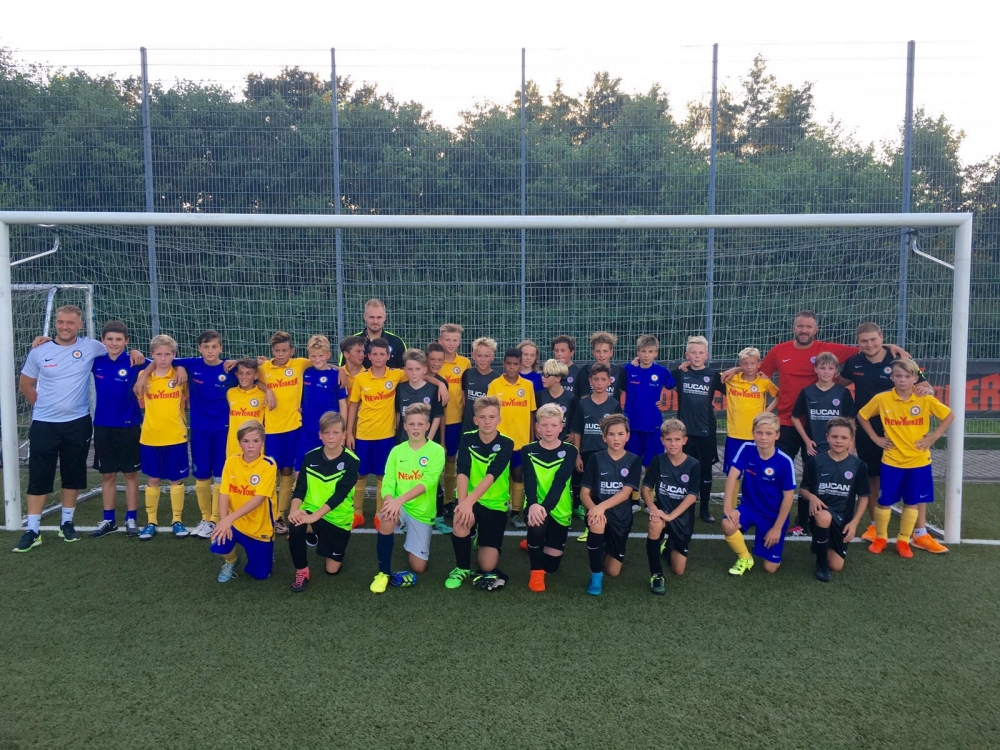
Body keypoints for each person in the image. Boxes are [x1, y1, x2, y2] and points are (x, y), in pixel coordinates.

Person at [15, 305, 140, 552]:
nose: (65, 327)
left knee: (72, 473)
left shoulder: (91, 347)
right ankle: (32, 530)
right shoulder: (40, 350)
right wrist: (45, 407)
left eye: (70, 323)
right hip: (44, 424)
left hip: (78, 423)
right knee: (40, 475)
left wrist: (135, 350)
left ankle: (67, 523)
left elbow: (119, 348)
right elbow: (26, 385)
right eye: (61, 322)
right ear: (56, 324)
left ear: (79, 325)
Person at [839, 322, 943, 551]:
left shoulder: (899, 359)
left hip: (902, 431)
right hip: (870, 430)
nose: (869, 344)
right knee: (872, 476)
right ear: (858, 343)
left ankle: (920, 532)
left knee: (913, 481)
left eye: (874, 340)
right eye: (864, 341)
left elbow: (926, 386)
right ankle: (875, 526)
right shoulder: (854, 363)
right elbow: (839, 382)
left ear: (881, 338)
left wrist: (928, 391)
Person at [752, 311, 905, 465]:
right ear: (794, 328)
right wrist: (738, 371)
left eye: (808, 327)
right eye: (800, 326)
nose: (804, 330)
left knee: (815, 469)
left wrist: (889, 346)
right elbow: (755, 375)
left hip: (818, 424)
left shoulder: (827, 350)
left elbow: (866, 348)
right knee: (777, 466)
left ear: (815, 329)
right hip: (788, 420)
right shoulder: (779, 351)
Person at [857, 359, 954, 559]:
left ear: (915, 378)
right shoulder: (883, 398)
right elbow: (862, 415)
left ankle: (904, 540)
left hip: (919, 461)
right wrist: (875, 438)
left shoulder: (924, 399)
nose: (902, 380)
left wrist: (933, 437)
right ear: (892, 377)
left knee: (911, 502)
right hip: (891, 461)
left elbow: (948, 415)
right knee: (884, 501)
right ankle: (880, 538)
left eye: (907, 376)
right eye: (898, 376)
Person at [166, 329, 244, 540]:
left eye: (214, 347)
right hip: (200, 430)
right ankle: (205, 518)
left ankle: (216, 519)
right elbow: (164, 359)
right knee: (201, 476)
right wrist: (180, 367)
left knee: (220, 475)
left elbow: (256, 368)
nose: (210, 351)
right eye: (206, 347)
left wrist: (237, 361)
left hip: (223, 431)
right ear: (199, 348)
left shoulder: (230, 368)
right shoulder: (192, 364)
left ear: (221, 348)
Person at [370, 403, 446, 594]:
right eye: (411, 424)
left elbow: (428, 482)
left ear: (427, 425)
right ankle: (383, 573)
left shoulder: (436, 451)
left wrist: (399, 500)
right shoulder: (397, 451)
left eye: (420, 424)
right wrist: (390, 500)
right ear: (405, 426)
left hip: (421, 510)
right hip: (399, 505)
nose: (416, 428)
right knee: (386, 517)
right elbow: (388, 480)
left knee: (418, 567)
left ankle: (410, 535)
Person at [446, 396, 514, 591]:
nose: (487, 421)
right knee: (460, 520)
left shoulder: (506, 443)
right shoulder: (467, 438)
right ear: (475, 420)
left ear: (499, 420)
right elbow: (463, 470)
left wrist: (468, 503)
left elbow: (492, 475)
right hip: (470, 500)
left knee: (487, 566)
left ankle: (479, 536)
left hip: (495, 504)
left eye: (492, 417)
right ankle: (461, 568)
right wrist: (463, 504)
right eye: (482, 417)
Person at [287, 412, 360, 592]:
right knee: (295, 525)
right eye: (326, 432)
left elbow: (339, 495)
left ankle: (315, 533)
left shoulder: (352, 461)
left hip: (337, 518)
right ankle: (302, 570)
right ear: (320, 435)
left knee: (332, 570)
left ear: (344, 434)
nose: (331, 437)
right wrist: (294, 511)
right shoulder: (310, 457)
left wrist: (314, 518)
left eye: (336, 432)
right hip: (311, 511)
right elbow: (300, 488)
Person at [88, 321, 147, 539]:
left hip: (129, 426)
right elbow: (69, 352)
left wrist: (138, 353)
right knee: (108, 474)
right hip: (103, 426)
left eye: (119, 339)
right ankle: (109, 520)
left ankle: (131, 518)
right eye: (110, 339)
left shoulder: (134, 361)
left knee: (131, 474)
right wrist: (46, 340)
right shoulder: (96, 361)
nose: (114, 343)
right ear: (103, 341)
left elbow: (164, 361)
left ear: (126, 341)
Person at [721, 412, 796, 576]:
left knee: (770, 568)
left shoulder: (785, 461)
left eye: (769, 433)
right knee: (727, 524)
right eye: (759, 433)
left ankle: (768, 544)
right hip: (750, 508)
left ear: (777, 435)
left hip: (773, 515)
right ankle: (745, 557)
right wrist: (728, 507)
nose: (763, 437)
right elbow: (732, 476)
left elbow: (789, 497)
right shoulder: (746, 448)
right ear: (753, 433)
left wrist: (777, 528)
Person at [789, 351, 856, 534]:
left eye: (830, 368)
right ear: (815, 369)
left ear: (836, 371)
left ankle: (838, 521)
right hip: (814, 448)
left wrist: (851, 447)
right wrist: (807, 440)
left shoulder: (842, 393)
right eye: (822, 368)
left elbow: (851, 422)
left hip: (839, 449)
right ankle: (802, 523)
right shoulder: (807, 392)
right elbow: (795, 417)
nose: (826, 371)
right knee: (808, 485)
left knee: (837, 485)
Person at [799, 417, 870, 582]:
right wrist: (812, 497)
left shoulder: (859, 466)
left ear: (851, 440)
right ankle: (821, 565)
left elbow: (864, 497)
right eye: (834, 436)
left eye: (844, 438)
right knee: (824, 517)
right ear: (827, 437)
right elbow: (803, 489)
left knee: (837, 566)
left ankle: (821, 542)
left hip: (842, 519)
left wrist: (854, 523)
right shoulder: (815, 461)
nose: (839, 441)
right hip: (820, 513)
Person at [580, 414, 643, 596]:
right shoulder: (595, 458)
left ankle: (606, 546)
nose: (616, 439)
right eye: (611, 434)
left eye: (620, 434)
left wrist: (601, 507)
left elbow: (625, 493)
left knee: (613, 571)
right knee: (597, 522)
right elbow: (584, 493)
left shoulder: (634, 460)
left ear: (627, 436)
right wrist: (595, 509)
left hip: (621, 518)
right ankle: (595, 576)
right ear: (604, 437)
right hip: (599, 513)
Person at [346, 338, 404, 529]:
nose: (378, 357)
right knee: (359, 475)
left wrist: (441, 385)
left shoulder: (396, 375)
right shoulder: (361, 378)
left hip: (386, 436)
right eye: (375, 354)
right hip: (363, 435)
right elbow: (353, 405)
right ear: (369, 357)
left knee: (383, 476)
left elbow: (419, 372)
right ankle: (357, 513)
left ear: (388, 356)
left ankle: (381, 514)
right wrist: (349, 432)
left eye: (382, 354)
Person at [209, 419, 277, 583]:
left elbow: (258, 500)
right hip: (236, 523)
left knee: (261, 575)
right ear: (239, 443)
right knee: (218, 543)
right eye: (246, 441)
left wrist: (228, 520)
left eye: (256, 441)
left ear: (262, 442)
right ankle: (231, 561)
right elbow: (224, 493)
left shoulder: (269, 465)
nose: (251, 446)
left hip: (259, 527)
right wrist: (224, 522)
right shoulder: (231, 462)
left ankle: (266, 552)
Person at [137, 335, 191, 540]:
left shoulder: (180, 375)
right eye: (158, 354)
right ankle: (151, 522)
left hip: (176, 436)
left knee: (175, 479)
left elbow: (188, 399)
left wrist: (181, 368)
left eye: (167, 354)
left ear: (174, 355)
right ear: (152, 354)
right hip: (150, 437)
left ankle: (177, 520)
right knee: (153, 479)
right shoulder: (143, 375)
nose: (163, 358)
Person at [257, 331, 311, 535]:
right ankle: (267, 512)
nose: (280, 354)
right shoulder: (264, 368)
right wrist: (268, 390)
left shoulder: (299, 364)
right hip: (271, 430)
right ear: (272, 351)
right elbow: (253, 378)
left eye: (284, 350)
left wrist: (339, 371)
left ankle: (279, 516)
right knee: (270, 472)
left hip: (293, 428)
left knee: (287, 471)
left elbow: (321, 361)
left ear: (292, 351)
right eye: (277, 350)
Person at [521, 404, 577, 592]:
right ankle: (536, 572)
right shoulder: (528, 449)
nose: (549, 430)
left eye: (554, 425)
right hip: (534, 506)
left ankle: (533, 543)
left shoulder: (570, 450)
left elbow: (560, 481)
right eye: (544, 425)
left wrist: (543, 508)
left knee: (551, 566)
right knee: (537, 526)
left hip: (559, 508)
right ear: (537, 427)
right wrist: (533, 504)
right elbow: (529, 480)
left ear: (561, 427)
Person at [641, 419, 700, 595]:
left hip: (682, 517)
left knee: (678, 570)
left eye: (677, 439)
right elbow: (645, 488)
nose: (673, 444)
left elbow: (692, 496)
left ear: (684, 440)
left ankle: (666, 547)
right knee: (655, 523)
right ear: (662, 441)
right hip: (662, 513)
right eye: (668, 440)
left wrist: (671, 516)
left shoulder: (693, 465)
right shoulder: (658, 460)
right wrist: (653, 508)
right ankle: (656, 575)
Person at [671, 335, 724, 524]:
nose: (697, 356)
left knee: (705, 471)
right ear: (687, 355)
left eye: (700, 353)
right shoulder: (679, 374)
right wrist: (637, 360)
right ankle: (683, 507)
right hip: (684, 434)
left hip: (706, 431)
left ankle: (704, 509)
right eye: (693, 352)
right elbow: (656, 377)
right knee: (683, 470)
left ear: (706, 355)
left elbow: (734, 386)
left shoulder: (714, 375)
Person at [568, 363, 622, 537]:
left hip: (607, 454)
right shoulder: (582, 404)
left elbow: (619, 432)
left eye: (603, 379)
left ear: (609, 381)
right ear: (590, 380)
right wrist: (577, 455)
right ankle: (589, 525)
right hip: (587, 454)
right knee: (588, 491)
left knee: (605, 490)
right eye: (596, 379)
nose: (599, 383)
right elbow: (577, 431)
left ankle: (608, 523)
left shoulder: (614, 404)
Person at [487, 348, 536, 528]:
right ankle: (498, 507)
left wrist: (531, 439)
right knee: (498, 475)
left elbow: (531, 413)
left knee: (518, 476)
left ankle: (515, 512)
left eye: (516, 364)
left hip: (521, 441)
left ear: (521, 365)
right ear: (503, 364)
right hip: (499, 441)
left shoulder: (527, 385)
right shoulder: (495, 385)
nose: (512, 367)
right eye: (509, 364)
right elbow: (489, 412)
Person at [622, 335, 675, 470]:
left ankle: (649, 485)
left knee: (652, 465)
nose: (646, 355)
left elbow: (676, 386)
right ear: (638, 352)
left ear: (656, 353)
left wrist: (665, 401)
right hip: (632, 425)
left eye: (650, 351)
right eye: (643, 351)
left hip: (653, 425)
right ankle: (632, 486)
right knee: (631, 464)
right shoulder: (628, 369)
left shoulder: (662, 372)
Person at [723, 346, 778, 474]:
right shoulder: (731, 379)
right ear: (740, 364)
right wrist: (735, 370)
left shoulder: (764, 382)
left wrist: (767, 411)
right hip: (734, 434)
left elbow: (779, 395)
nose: (749, 367)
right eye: (745, 364)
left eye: (752, 363)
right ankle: (732, 489)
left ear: (759, 364)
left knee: (754, 471)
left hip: (756, 435)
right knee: (732, 471)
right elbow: (708, 375)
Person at [437, 324, 471, 508]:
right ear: (440, 341)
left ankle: (449, 499)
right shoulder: (435, 360)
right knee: (435, 459)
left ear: (459, 342)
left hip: (456, 419)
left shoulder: (464, 363)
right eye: (447, 339)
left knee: (451, 457)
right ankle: (435, 496)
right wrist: (440, 384)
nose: (451, 343)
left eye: (455, 340)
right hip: (435, 420)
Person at [298, 335, 348, 459]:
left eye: (321, 356)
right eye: (313, 356)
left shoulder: (336, 375)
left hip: (330, 429)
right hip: (307, 428)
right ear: (309, 356)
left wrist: (342, 430)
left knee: (329, 461)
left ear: (328, 355)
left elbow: (343, 404)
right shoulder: (305, 372)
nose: (317, 360)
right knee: (304, 462)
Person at [394, 348, 444, 444]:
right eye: (410, 369)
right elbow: (398, 414)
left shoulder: (433, 390)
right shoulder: (400, 388)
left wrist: (429, 440)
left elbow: (437, 416)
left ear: (424, 369)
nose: (414, 373)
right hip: (405, 440)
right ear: (405, 370)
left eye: (417, 369)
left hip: (426, 440)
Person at [339, 298, 407, 369]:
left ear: (385, 317)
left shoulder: (397, 342)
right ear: (365, 316)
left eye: (379, 317)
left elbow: (405, 370)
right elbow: (342, 370)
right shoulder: (352, 342)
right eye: (371, 317)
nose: (375, 321)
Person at [225, 359, 269, 456]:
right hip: (233, 446)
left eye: (248, 374)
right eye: (241, 373)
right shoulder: (230, 393)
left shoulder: (263, 395)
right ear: (236, 374)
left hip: (254, 447)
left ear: (256, 376)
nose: (244, 377)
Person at [460, 336, 500, 432]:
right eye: (479, 356)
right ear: (473, 356)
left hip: (487, 428)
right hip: (468, 427)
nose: (482, 359)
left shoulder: (497, 378)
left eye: (486, 356)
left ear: (492, 357)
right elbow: (463, 398)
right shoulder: (467, 374)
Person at [536, 358, 577, 441]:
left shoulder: (571, 398)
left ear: (558, 378)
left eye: (547, 375)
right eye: (542, 374)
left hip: (564, 442)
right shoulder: (539, 396)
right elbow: (535, 417)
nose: (542, 378)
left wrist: (573, 433)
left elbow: (575, 420)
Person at [579, 331, 624, 401]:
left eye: (605, 351)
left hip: (612, 408)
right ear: (593, 353)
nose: (601, 355)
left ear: (611, 352)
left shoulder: (620, 371)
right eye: (598, 351)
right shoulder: (585, 371)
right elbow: (583, 397)